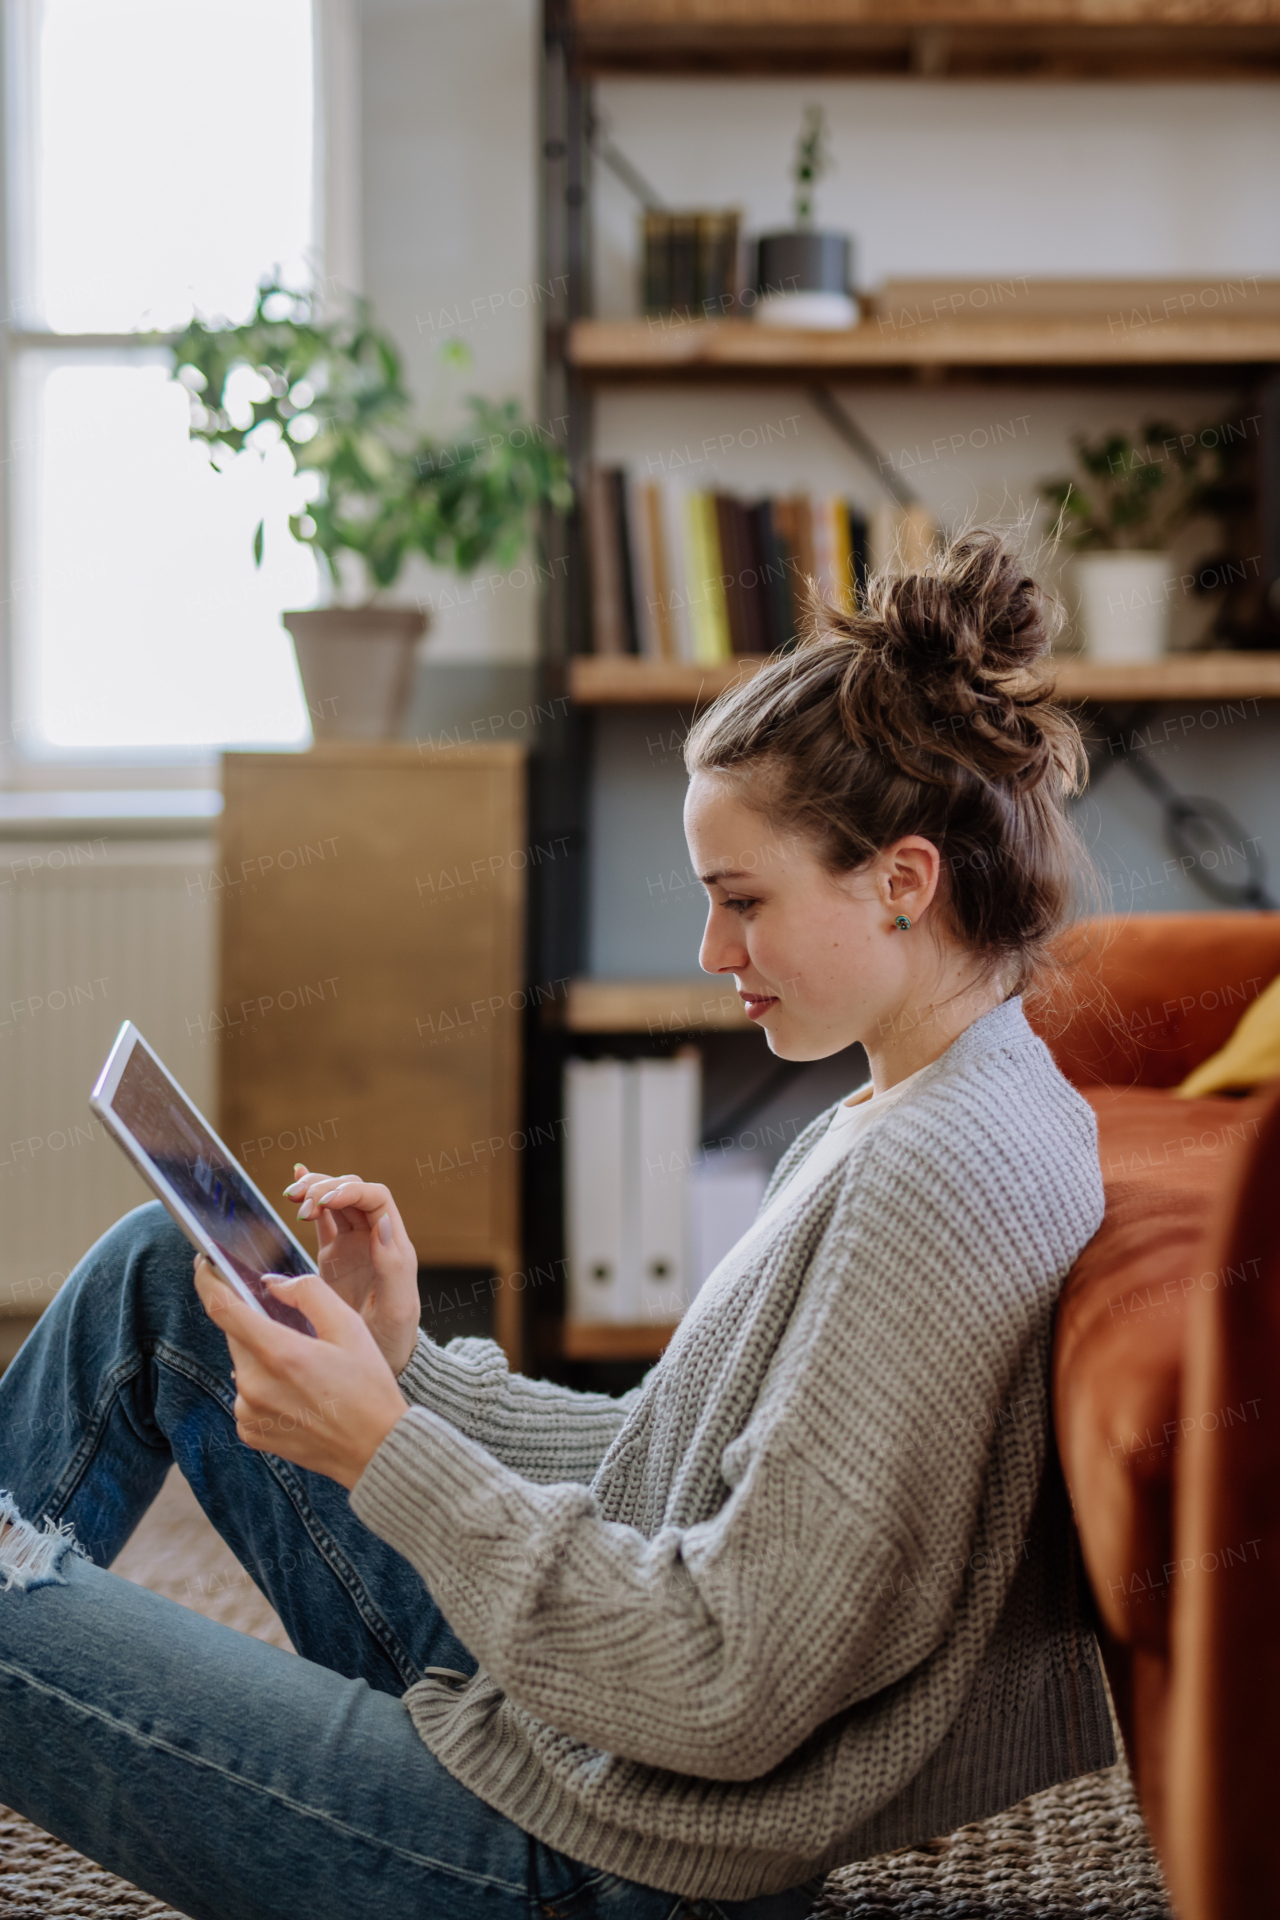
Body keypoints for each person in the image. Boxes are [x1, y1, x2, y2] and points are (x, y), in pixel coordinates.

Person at [0, 530, 1112, 1920]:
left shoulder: (939, 1182)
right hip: (580, 1739)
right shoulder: (910, 1104)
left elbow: (722, 1679)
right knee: (177, 1265)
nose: (713, 958)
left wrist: (384, 1448)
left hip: (600, 1853)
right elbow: (668, 1468)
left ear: (902, 879)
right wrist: (403, 1365)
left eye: (741, 902)